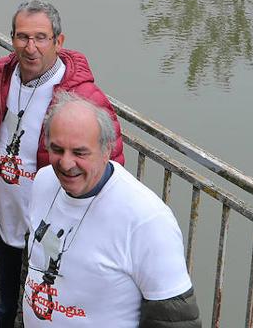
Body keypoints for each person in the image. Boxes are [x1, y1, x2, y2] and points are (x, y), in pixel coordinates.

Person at [0, 0, 124, 328]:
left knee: (45, 312)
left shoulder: (83, 98)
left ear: (59, 41)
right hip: (7, 215)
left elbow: (114, 171)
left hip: (55, 230)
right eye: (23, 37)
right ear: (11, 38)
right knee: (6, 303)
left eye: (41, 37)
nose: (31, 47)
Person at [22, 93, 200, 327]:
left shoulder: (147, 219)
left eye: (79, 152)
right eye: (57, 149)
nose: (65, 163)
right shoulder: (43, 181)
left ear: (107, 150)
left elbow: (176, 321)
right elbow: (34, 267)